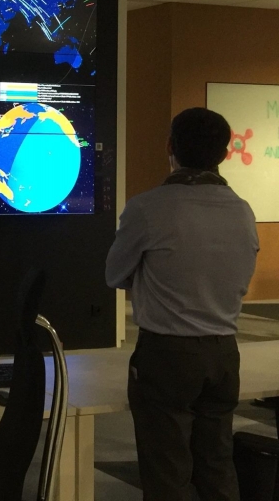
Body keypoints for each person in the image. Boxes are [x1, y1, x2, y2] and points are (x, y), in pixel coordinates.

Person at [107, 107, 259, 501]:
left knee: (167, 472)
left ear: (169, 147)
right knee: (217, 465)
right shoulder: (242, 210)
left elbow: (115, 275)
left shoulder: (148, 208)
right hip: (224, 353)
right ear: (224, 153)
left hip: (166, 354)